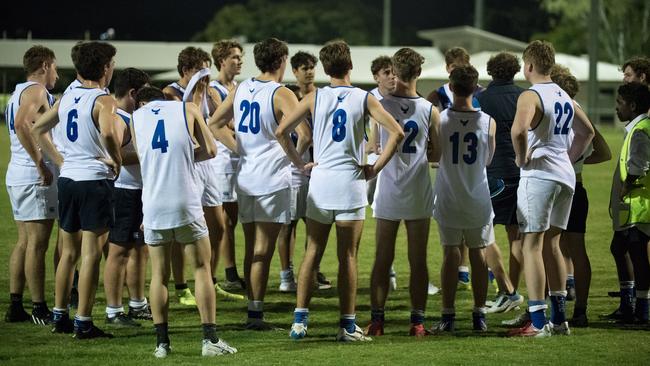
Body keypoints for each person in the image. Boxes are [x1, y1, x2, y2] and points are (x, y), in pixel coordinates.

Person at [277, 40, 404, 341]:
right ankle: (347, 326)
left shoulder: (314, 97)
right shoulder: (363, 98)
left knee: (312, 252)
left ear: (324, 68)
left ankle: (299, 322)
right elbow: (397, 133)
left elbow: (282, 132)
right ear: (349, 67)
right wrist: (376, 167)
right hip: (350, 184)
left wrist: (299, 163)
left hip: (321, 182)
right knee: (348, 255)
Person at [208, 38, 307, 329]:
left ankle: (254, 312)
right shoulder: (281, 93)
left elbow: (214, 124)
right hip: (271, 180)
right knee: (263, 251)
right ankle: (255, 315)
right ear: (281, 61)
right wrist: (294, 160)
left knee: (253, 248)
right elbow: (304, 133)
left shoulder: (241, 88)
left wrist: (241, 148)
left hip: (246, 177)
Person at [131, 86, 237, 358]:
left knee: (158, 275)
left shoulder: (136, 117)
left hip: (153, 203)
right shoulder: (187, 107)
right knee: (201, 269)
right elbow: (212, 150)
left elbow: (144, 160)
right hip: (185, 200)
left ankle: (162, 345)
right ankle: (209, 339)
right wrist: (186, 158)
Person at [32, 41, 123, 339]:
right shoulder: (103, 99)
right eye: (111, 64)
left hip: (69, 181)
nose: (112, 69)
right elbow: (110, 133)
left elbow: (38, 128)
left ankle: (60, 316)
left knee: (67, 253)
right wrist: (117, 161)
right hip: (94, 181)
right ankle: (83, 321)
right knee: (91, 255)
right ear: (104, 67)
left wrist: (59, 160)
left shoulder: (69, 92)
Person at [508, 40, 594, 337]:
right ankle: (559, 320)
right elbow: (588, 132)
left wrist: (522, 158)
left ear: (528, 66)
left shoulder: (530, 95)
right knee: (553, 245)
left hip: (540, 175)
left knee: (531, 245)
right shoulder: (563, 94)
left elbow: (518, 130)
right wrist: (567, 158)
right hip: (565, 177)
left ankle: (538, 320)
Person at [364, 48, 440, 337]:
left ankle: (377, 321)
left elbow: (373, 145)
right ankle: (417, 322)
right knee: (417, 258)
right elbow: (438, 153)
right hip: (418, 188)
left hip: (388, 189)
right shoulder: (430, 110)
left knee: (383, 257)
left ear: (393, 72)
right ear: (418, 73)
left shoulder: (379, 104)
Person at [431, 65, 495, 333]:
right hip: (478, 195)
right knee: (479, 254)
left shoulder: (439, 119)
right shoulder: (488, 121)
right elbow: (488, 159)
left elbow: (434, 156)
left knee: (450, 253)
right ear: (475, 87)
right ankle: (479, 315)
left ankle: (448, 315)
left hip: (448, 194)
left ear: (451, 86)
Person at [550, 64, 611, 327]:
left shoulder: (557, 111)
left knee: (548, 246)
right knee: (575, 249)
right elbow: (605, 152)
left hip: (556, 187)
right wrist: (579, 164)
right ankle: (581, 310)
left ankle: (549, 307)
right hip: (578, 185)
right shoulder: (581, 113)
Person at [4, 45, 59, 325]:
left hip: (18, 173)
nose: (57, 75)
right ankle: (39, 307)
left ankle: (16, 306)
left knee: (25, 243)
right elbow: (23, 123)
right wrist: (40, 163)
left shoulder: (17, 91)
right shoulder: (36, 90)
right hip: (33, 176)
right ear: (45, 65)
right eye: (56, 68)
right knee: (38, 245)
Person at [427, 47, 483, 290]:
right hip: (446, 165)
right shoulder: (437, 95)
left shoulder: (480, 94)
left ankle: (465, 268)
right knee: (455, 220)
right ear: (447, 69)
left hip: (470, 169)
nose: (456, 73)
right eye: (453, 68)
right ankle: (460, 268)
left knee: (469, 224)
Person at [276, 50, 333, 292]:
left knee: (314, 225)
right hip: (295, 170)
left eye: (312, 66)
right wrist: (294, 160)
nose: (309, 71)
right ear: (295, 71)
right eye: (304, 67)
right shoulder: (289, 96)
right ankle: (286, 275)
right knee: (288, 224)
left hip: (317, 170)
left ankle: (312, 272)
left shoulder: (323, 96)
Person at [475, 52, 526, 314]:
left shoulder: (481, 99)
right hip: (521, 171)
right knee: (515, 235)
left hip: (493, 174)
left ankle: (505, 292)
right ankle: (511, 291)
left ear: (491, 70)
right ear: (516, 70)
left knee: (482, 233)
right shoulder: (524, 97)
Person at [103, 68, 152, 327]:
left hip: (137, 190)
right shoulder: (120, 118)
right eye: (143, 93)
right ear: (133, 93)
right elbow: (114, 153)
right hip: (124, 191)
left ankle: (137, 304)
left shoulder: (131, 117)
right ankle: (113, 310)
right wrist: (148, 154)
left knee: (139, 250)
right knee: (119, 251)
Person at [162, 46, 211, 306]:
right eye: (199, 70)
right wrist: (198, 96)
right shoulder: (171, 94)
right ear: (186, 71)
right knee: (181, 231)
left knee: (216, 223)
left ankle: (209, 281)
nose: (204, 76)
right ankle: (182, 287)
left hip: (204, 164)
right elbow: (185, 129)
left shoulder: (205, 91)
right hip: (183, 166)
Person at [604, 56, 650, 313]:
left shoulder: (641, 128)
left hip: (639, 202)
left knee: (638, 252)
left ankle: (641, 306)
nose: (616, 108)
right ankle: (630, 303)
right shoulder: (636, 126)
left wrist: (626, 186)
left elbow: (639, 164)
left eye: (619, 103)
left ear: (632, 105)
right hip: (634, 202)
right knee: (621, 247)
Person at [209, 39, 246, 292]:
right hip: (222, 159)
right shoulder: (213, 88)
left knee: (232, 219)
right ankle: (215, 274)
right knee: (221, 222)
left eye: (240, 57)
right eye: (234, 57)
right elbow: (223, 121)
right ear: (222, 61)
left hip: (238, 158)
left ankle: (231, 271)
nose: (239, 61)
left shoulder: (239, 87)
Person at [366, 55, 400, 293]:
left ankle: (391, 269)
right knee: (382, 217)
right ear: (376, 76)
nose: (392, 77)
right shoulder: (368, 98)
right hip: (374, 162)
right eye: (386, 72)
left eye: (393, 72)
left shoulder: (401, 98)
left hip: (398, 163)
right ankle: (386, 268)